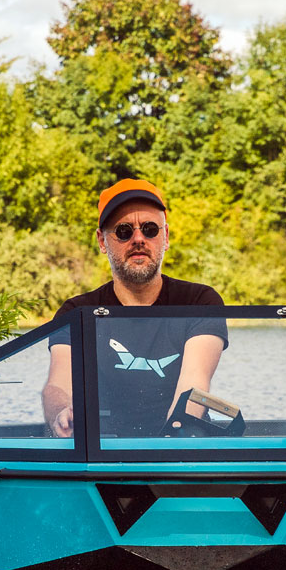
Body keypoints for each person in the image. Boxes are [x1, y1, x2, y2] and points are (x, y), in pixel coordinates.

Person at [42, 179, 226, 438]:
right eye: (124, 231)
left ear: (166, 237)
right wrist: (62, 412)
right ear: (102, 241)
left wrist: (168, 446)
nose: (138, 239)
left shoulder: (201, 301)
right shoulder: (76, 312)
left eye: (150, 229)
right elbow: (57, 385)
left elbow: (193, 388)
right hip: (99, 453)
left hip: (180, 448)